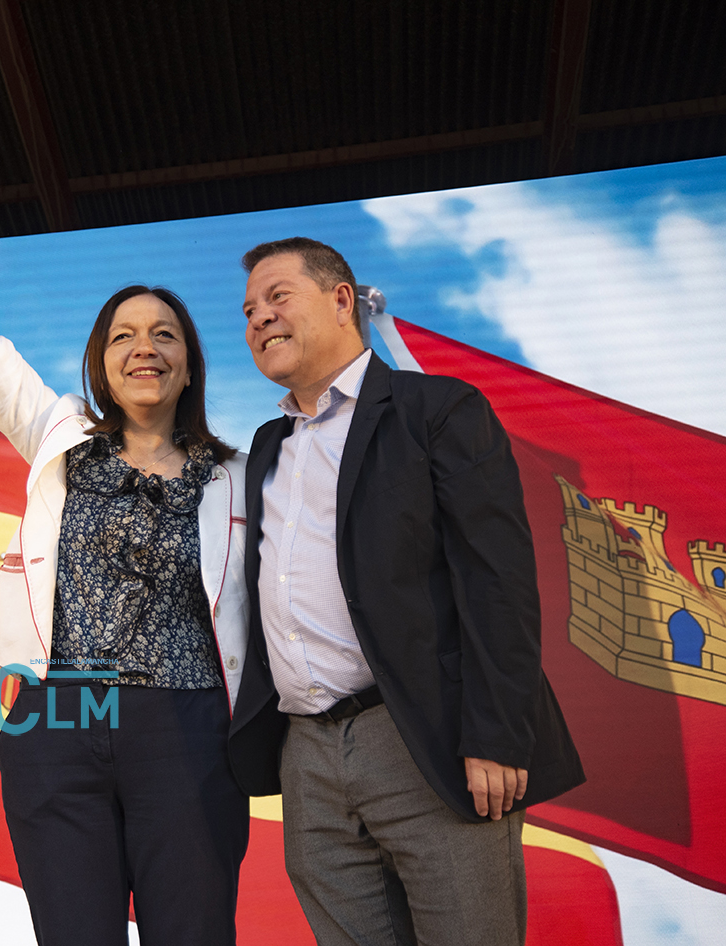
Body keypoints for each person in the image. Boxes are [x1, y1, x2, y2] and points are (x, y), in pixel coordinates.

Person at [0, 131, 251, 946]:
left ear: (188, 364)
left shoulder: (238, 477)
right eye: (123, 335)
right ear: (100, 363)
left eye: (164, 334)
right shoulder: (60, 437)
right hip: (58, 719)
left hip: (187, 725)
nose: (144, 348)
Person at [227, 237, 585, 945]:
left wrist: (494, 734)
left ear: (341, 301)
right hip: (307, 757)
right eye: (247, 311)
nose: (259, 318)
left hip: (426, 736)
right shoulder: (266, 445)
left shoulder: (437, 409)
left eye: (277, 297)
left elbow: (497, 580)